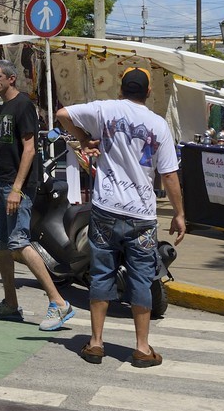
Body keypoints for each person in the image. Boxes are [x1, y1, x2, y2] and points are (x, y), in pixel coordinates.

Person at [57, 67, 186, 367]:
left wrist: (83, 139)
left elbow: (63, 114)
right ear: (148, 92)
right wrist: (179, 213)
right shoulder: (158, 125)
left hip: (105, 208)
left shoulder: (105, 110)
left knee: (102, 271)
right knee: (142, 277)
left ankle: (96, 343)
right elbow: (169, 174)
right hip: (141, 214)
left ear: (121, 89)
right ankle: (142, 348)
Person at [0, 59, 73, 331]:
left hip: (18, 187)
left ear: (11, 79)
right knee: (0, 245)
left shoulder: (22, 106)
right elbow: (5, 154)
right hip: (3, 185)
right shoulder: (3, 109)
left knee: (19, 242)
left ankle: (59, 302)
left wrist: (17, 189)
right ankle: (10, 303)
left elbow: (29, 150)